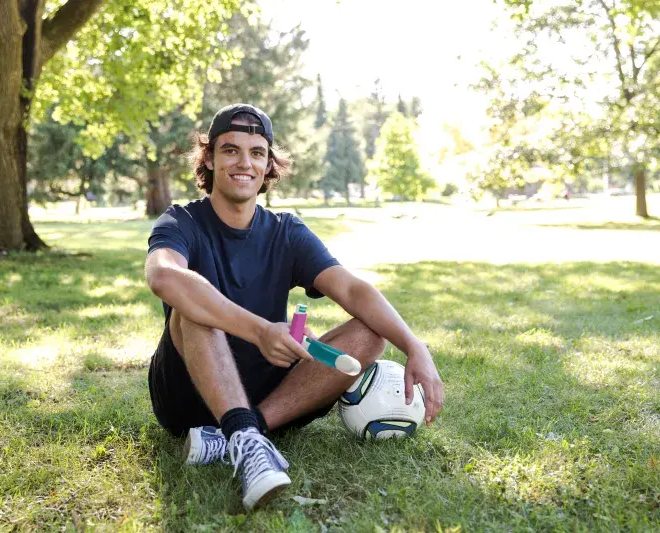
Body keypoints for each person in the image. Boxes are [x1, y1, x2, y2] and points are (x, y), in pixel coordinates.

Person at [145, 103, 444, 510]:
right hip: (188, 396)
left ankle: (244, 434)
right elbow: (163, 276)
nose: (244, 163)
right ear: (210, 159)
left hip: (268, 394)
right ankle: (246, 440)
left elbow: (353, 291)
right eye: (230, 150)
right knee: (193, 307)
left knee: (370, 333)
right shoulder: (180, 222)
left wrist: (415, 346)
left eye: (257, 152)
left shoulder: (287, 231)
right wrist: (260, 330)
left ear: (269, 166)